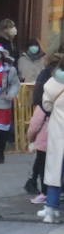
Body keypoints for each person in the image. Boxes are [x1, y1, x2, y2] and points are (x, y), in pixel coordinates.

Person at [37, 59, 64, 223]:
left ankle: (50, 209)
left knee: (54, 171)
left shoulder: (52, 84)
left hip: (58, 132)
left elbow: (46, 106)